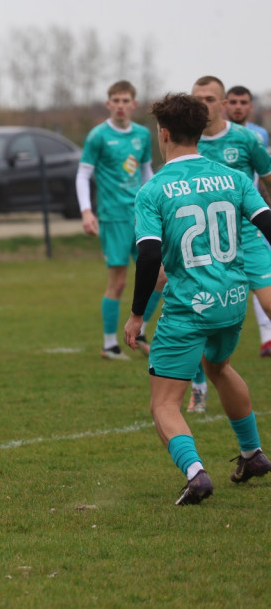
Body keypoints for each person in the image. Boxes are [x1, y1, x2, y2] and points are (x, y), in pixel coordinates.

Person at [124, 92, 271, 505]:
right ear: (201, 132)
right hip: (233, 300)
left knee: (164, 405)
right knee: (219, 366)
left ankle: (196, 474)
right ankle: (252, 453)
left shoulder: (154, 190)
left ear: (164, 133)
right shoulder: (234, 178)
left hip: (189, 308)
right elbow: (267, 224)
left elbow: (149, 254)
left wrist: (137, 316)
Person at [188, 76, 271, 412]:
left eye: (209, 99)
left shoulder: (247, 139)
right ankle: (197, 387)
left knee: (269, 303)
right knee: (192, 316)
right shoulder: (187, 143)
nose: (201, 105)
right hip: (205, 246)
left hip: (248, 240)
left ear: (222, 103)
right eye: (196, 99)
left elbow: (267, 180)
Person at [76, 80, 160, 360]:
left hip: (141, 217)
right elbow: (83, 174)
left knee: (160, 276)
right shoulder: (98, 136)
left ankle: (142, 329)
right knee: (119, 282)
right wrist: (87, 211)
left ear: (134, 104)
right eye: (116, 100)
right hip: (113, 217)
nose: (121, 106)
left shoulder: (142, 135)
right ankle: (110, 345)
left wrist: (156, 203)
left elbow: (146, 172)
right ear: (108, 104)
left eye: (126, 101)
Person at [223, 86, 271, 359]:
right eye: (234, 102)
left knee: (263, 283)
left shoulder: (257, 135)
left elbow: (264, 176)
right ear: (225, 104)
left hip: (253, 219)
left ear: (250, 106)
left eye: (243, 102)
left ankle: (266, 339)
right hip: (221, 227)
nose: (238, 106)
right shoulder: (208, 138)